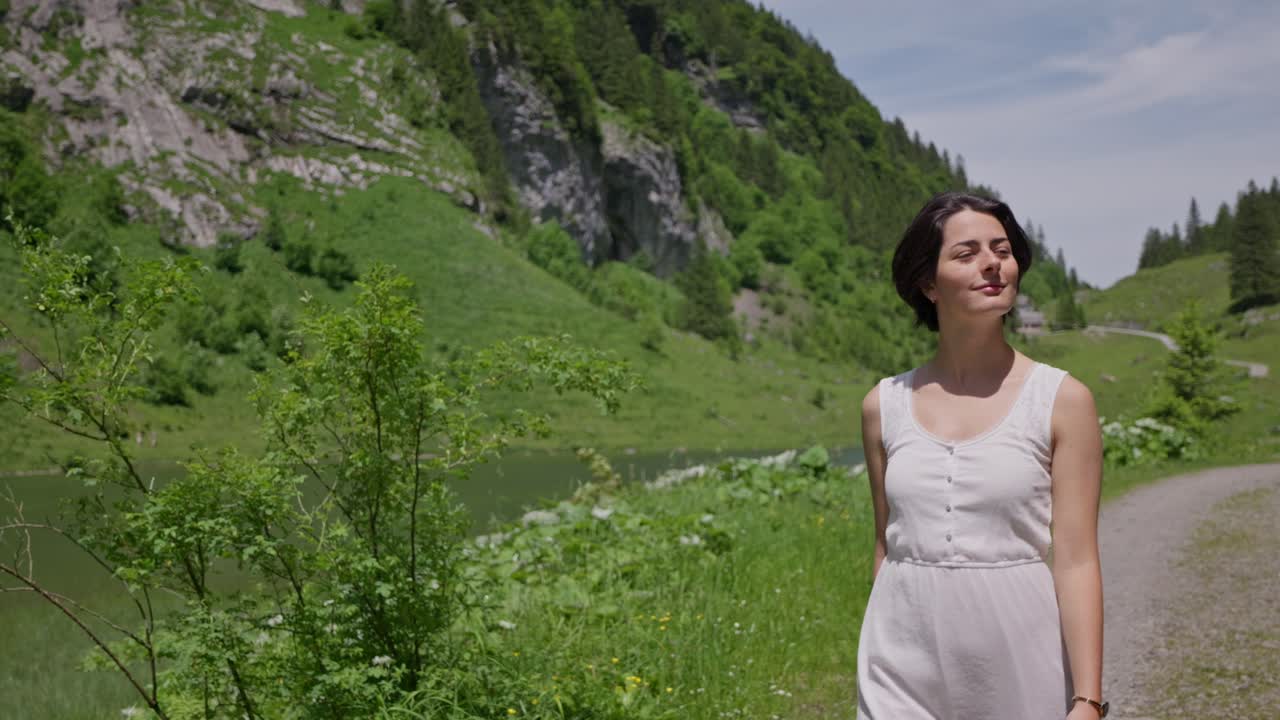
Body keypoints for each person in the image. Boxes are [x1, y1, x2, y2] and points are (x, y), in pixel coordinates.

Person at [855, 191, 1106, 719]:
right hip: (897, 665)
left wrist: (1087, 699)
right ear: (927, 284)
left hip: (1019, 661)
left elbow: (1078, 560)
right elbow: (886, 544)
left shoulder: (1063, 401)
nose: (992, 263)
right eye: (967, 253)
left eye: (1002, 250)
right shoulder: (884, 405)